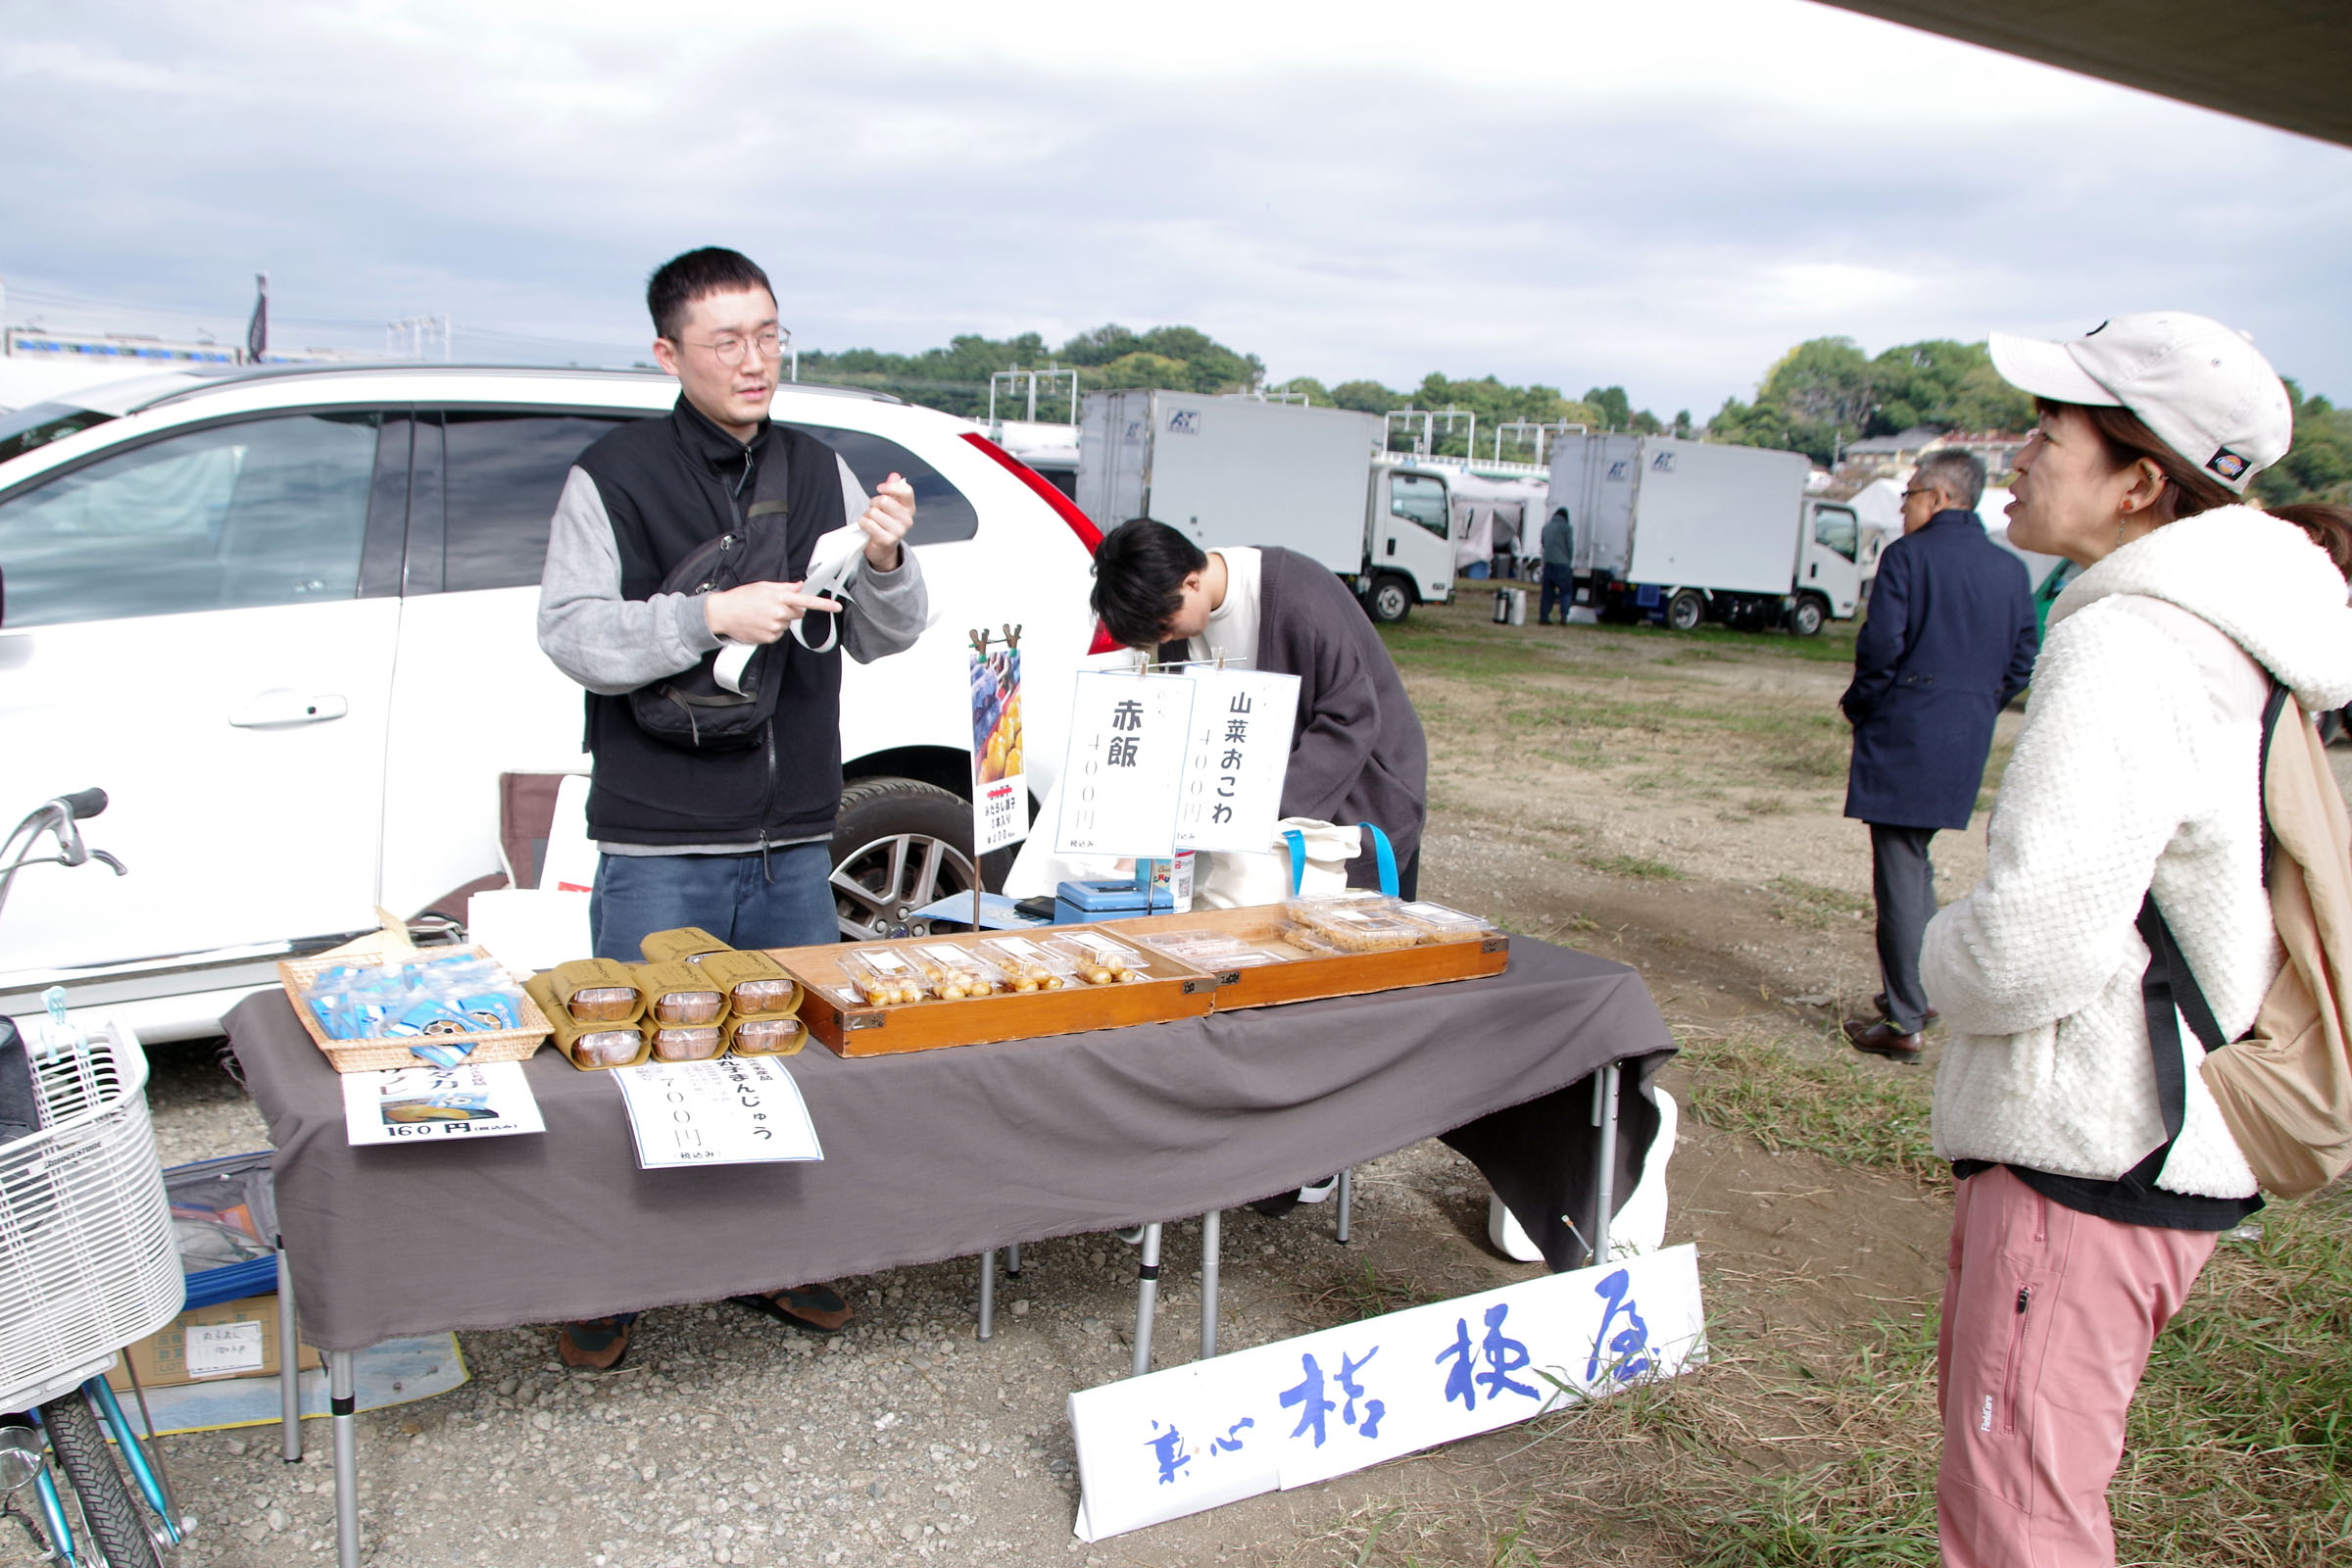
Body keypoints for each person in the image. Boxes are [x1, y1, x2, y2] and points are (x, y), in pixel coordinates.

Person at [1920, 311, 2352, 1566]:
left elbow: (2029, 949)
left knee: (2019, 1516)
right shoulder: (2237, 632)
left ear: (2139, 482)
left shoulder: (2128, 641)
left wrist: (1940, 953)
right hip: (2162, 1149)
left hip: (2096, 1148)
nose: (2017, 454)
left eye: (2049, 432)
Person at [535, 246, 930, 1369]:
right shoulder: (611, 474)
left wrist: (890, 558)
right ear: (669, 352)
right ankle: (609, 1278)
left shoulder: (822, 468)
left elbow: (886, 630)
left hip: (797, 832)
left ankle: (778, 1260)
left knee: (785, 1058)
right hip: (661, 833)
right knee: (638, 1057)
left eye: (769, 334)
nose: (756, 360)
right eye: (727, 340)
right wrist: (706, 617)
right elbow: (569, 632)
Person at [1087, 518, 1429, 897]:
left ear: (1191, 582)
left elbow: (1351, 718)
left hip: (1364, 790)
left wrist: (1251, 811)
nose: (1165, 639)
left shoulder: (1298, 597)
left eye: (1165, 626)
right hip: (1259, 814)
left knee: (1353, 936)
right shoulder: (1181, 625)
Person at [1838, 450, 2037, 1062]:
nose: (1903, 509)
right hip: (1965, 734)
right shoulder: (2010, 570)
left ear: (1940, 498)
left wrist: (1862, 705)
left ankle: (1904, 1023)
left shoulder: (1907, 559)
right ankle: (1917, 994)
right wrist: (1977, 703)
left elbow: (1880, 649)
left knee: (1898, 874)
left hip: (1906, 729)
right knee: (1915, 863)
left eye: (1909, 496)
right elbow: (2024, 655)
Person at [1537, 507, 1575, 624]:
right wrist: (1569, 560)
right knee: (1566, 592)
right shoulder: (1566, 528)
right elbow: (1570, 546)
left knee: (1547, 593)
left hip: (1548, 564)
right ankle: (1563, 616)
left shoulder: (1546, 527)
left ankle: (1544, 617)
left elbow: (1543, 543)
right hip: (1562, 565)